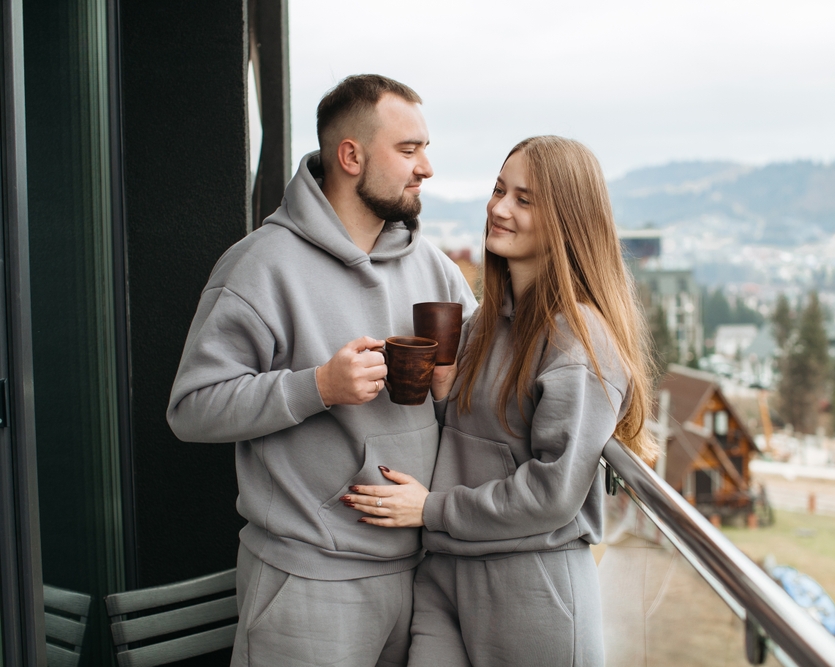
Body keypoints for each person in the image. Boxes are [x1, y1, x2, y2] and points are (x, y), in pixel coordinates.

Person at [166, 74, 477, 667]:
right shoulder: (260, 265)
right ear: (351, 156)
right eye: (409, 150)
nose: (427, 168)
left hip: (424, 576)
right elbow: (191, 408)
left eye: (426, 149)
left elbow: (480, 393)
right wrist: (317, 388)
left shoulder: (436, 270)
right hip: (308, 583)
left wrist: (451, 385)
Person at [343, 136, 657, 666]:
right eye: (498, 190)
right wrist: (441, 396)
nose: (499, 208)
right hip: (444, 575)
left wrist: (431, 508)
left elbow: (554, 492)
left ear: (567, 220)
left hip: (530, 587)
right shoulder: (479, 327)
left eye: (524, 199)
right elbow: (474, 439)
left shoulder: (579, 342)